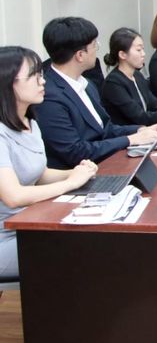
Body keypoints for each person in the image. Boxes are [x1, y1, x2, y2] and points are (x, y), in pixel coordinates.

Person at [0, 47, 99, 279]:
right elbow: (13, 196)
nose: (42, 81)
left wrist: (74, 173)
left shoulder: (29, 121)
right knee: (85, 251)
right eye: (34, 76)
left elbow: (39, 173)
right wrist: (69, 183)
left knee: (96, 237)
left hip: (28, 224)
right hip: (6, 235)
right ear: (7, 84)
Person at [37, 17, 157, 168]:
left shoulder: (87, 85)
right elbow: (75, 152)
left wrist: (141, 129)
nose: (97, 50)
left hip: (106, 163)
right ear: (80, 55)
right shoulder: (49, 96)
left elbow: (106, 129)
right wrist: (131, 139)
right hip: (78, 175)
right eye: (95, 45)